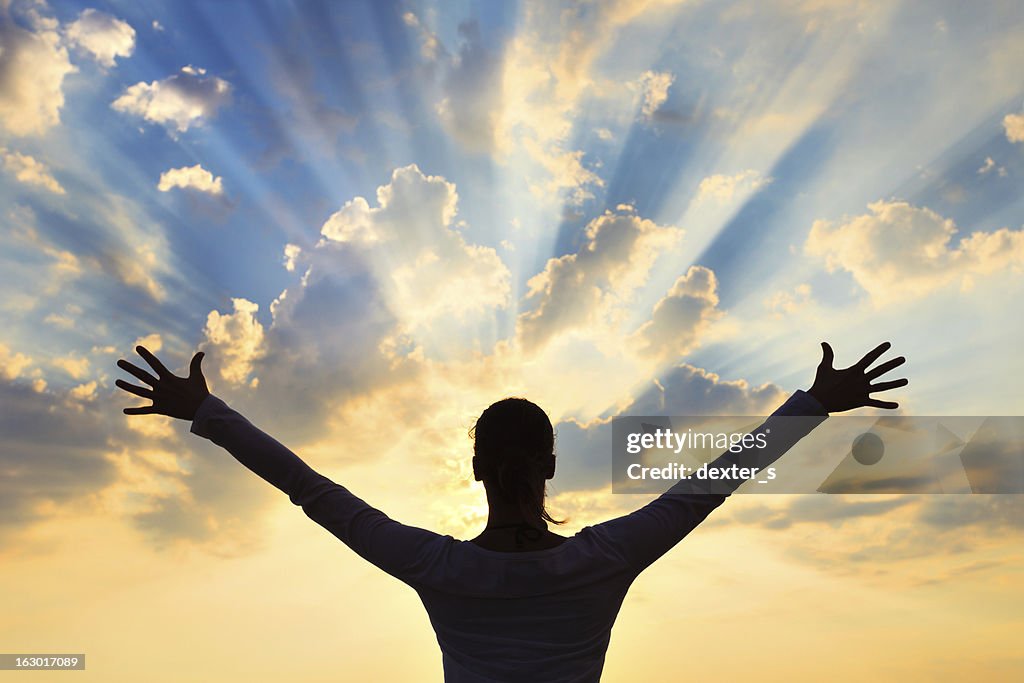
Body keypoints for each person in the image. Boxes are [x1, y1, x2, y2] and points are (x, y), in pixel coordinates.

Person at [116, 341, 907, 682]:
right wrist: (814, 403)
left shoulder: (438, 568)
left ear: (474, 469)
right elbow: (715, 480)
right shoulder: (602, 560)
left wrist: (207, 410)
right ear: (552, 466)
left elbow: (312, 489)